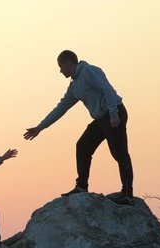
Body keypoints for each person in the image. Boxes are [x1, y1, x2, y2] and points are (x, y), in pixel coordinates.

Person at [23, 50, 134, 205]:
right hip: (101, 119)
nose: (60, 70)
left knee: (119, 153)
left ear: (69, 63)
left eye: (61, 66)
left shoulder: (89, 71)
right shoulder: (74, 86)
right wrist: (40, 127)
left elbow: (107, 89)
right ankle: (82, 186)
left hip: (114, 113)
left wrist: (114, 114)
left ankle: (127, 194)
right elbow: (60, 108)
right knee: (83, 146)